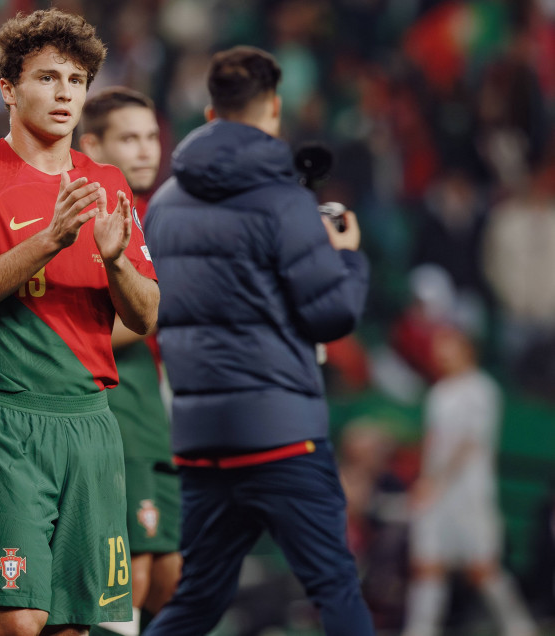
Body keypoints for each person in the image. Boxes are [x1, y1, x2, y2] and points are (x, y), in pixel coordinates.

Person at [0, 8, 159, 636]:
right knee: (19, 619)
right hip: (4, 419)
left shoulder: (108, 185)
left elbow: (145, 313)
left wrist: (115, 263)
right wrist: (50, 240)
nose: (64, 94)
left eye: (77, 80)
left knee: (72, 627)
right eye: (48, 77)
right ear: (8, 86)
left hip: (88, 424)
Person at [142, 46, 373, 635]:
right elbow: (331, 317)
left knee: (194, 602)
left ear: (209, 111)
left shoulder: (163, 204)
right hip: (281, 439)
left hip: (200, 443)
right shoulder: (284, 201)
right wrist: (347, 259)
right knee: (335, 589)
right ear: (273, 107)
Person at [79, 86, 180, 636]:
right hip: (112, 394)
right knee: (131, 567)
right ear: (92, 144)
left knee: (169, 569)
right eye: (129, 139)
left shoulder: (154, 213)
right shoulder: (89, 211)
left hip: (155, 394)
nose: (146, 151)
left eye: (152, 138)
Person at [403, 325, 537, 636]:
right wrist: (426, 481)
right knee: (427, 567)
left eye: (447, 347)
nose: (440, 355)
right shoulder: (438, 393)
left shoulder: (482, 390)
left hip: (470, 496)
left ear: (466, 349)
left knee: (482, 569)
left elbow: (468, 444)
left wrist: (434, 482)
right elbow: (434, 442)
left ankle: (519, 628)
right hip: (435, 495)